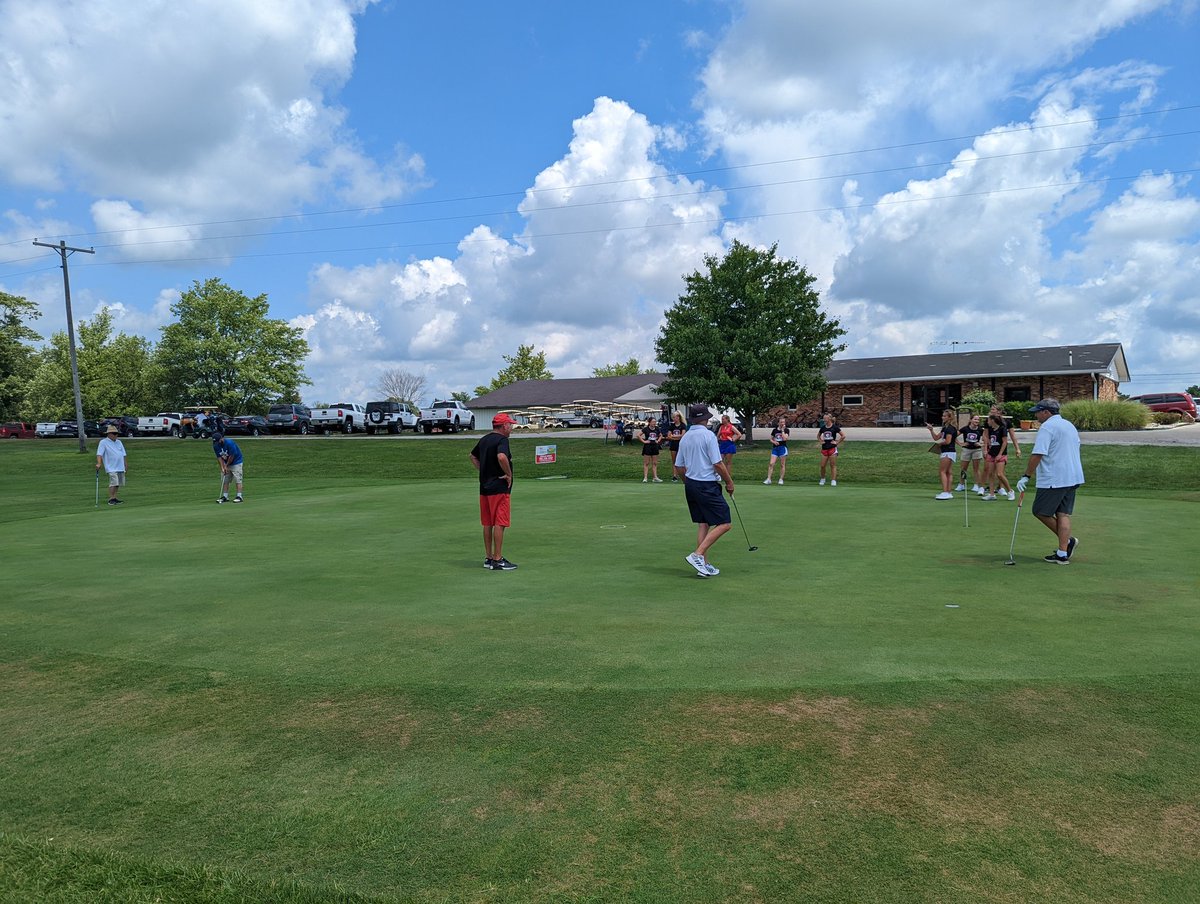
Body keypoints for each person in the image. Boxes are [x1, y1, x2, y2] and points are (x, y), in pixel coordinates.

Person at [1016, 398, 1084, 564]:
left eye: (1038, 412)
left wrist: (1026, 475)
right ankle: (1062, 554)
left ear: (1046, 412)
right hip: (1073, 476)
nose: (1036, 415)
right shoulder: (1069, 425)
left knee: (1040, 511)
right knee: (1062, 513)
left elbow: (1038, 453)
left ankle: (1067, 542)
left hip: (1055, 477)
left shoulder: (1047, 427)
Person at [674, 403, 736, 577]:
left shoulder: (685, 437)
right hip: (706, 485)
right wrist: (729, 483)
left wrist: (688, 482)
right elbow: (718, 463)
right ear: (705, 419)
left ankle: (703, 565)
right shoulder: (708, 436)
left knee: (704, 523)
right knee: (725, 523)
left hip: (692, 485)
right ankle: (697, 555)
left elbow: (678, 466)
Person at [471, 412, 517, 570]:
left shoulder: (484, 439)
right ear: (504, 426)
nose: (511, 428)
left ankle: (489, 558)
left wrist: (484, 471)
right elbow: (502, 457)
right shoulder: (502, 440)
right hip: (499, 486)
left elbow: (473, 456)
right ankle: (498, 559)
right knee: (499, 522)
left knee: (488, 523)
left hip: (484, 487)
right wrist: (509, 475)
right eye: (510, 425)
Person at [982, 412, 1014, 501]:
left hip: (1001, 454)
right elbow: (988, 440)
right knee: (991, 474)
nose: (987, 422)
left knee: (999, 474)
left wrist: (1000, 454)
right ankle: (992, 494)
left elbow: (1004, 442)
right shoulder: (991, 429)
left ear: (992, 420)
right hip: (991, 453)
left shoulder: (1002, 429)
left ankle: (1010, 491)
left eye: (988, 420)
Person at [927, 409, 958, 499]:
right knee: (948, 472)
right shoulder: (945, 428)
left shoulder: (950, 428)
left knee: (942, 471)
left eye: (945, 416)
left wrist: (940, 444)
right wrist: (931, 430)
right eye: (943, 415)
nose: (943, 417)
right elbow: (936, 438)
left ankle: (945, 492)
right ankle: (948, 492)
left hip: (948, 451)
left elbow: (948, 441)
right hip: (948, 452)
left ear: (949, 417)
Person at [95, 423, 127, 505]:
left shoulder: (119, 442)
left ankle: (115, 497)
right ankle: (111, 499)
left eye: (117, 434)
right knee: (113, 482)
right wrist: (99, 463)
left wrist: (125, 464)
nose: (116, 435)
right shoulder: (103, 442)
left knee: (118, 483)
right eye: (114, 433)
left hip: (120, 466)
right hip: (111, 466)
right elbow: (99, 454)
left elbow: (123, 454)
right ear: (109, 434)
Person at [211, 432, 244, 503]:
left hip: (236, 462)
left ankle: (239, 496)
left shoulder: (230, 443)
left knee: (238, 479)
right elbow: (219, 457)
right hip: (226, 462)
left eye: (218, 441)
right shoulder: (215, 445)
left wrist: (226, 465)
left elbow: (232, 456)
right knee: (225, 479)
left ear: (221, 438)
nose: (217, 443)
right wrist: (222, 467)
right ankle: (225, 496)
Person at [956, 413, 985, 493]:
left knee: (976, 469)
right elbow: (954, 436)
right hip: (966, 450)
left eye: (978, 420)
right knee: (963, 468)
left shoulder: (980, 430)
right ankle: (961, 484)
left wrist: (981, 444)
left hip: (977, 450)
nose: (977, 421)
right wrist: (960, 444)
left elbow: (986, 440)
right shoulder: (965, 429)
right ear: (971, 420)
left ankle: (976, 485)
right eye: (975, 419)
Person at [817, 412, 845, 486]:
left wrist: (837, 442)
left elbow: (843, 436)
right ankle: (823, 479)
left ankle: (833, 480)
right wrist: (821, 441)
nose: (824, 420)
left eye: (825, 418)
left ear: (829, 419)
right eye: (824, 418)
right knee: (822, 465)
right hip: (824, 448)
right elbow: (818, 435)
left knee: (833, 465)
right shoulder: (823, 428)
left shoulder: (835, 427)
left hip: (832, 449)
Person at [763, 417, 789, 485]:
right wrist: (774, 442)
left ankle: (781, 479)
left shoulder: (786, 430)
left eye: (783, 422)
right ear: (778, 423)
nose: (782, 423)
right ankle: (768, 479)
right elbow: (771, 439)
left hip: (782, 448)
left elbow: (785, 438)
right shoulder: (774, 430)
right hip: (775, 448)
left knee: (782, 464)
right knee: (771, 463)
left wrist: (782, 430)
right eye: (781, 422)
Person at [640, 417, 663, 483]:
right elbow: (638, 435)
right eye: (653, 422)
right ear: (649, 422)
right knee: (646, 463)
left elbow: (660, 435)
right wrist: (644, 441)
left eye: (655, 422)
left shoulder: (657, 428)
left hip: (655, 447)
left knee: (655, 463)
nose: (654, 423)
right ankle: (645, 478)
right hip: (647, 447)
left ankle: (655, 477)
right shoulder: (646, 429)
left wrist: (658, 441)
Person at [665, 411, 686, 481]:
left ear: (678, 417)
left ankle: (684, 475)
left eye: (675, 417)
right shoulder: (672, 426)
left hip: (681, 445)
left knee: (682, 460)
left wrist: (674, 436)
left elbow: (683, 435)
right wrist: (675, 437)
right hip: (673, 445)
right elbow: (668, 436)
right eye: (673, 417)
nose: (674, 419)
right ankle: (675, 475)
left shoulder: (683, 425)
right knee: (674, 461)